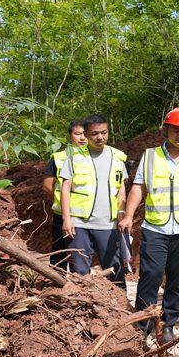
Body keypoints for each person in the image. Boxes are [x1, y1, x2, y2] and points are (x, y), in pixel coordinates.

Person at [118, 107, 179, 346]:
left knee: (176, 281)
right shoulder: (150, 155)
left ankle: (169, 323)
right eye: (176, 130)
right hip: (156, 228)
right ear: (166, 130)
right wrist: (128, 216)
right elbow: (139, 187)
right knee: (151, 276)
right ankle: (142, 325)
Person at [60, 114, 128, 288]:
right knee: (80, 272)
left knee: (115, 271)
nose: (100, 137)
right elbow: (65, 188)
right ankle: (81, 310)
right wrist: (67, 219)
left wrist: (122, 214)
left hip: (108, 224)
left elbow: (121, 188)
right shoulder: (74, 156)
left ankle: (121, 308)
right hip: (79, 224)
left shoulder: (117, 156)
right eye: (95, 134)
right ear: (86, 134)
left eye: (104, 133)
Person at [42, 120, 87, 268]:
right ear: (69, 136)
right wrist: (63, 204)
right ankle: (56, 282)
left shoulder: (94, 157)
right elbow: (48, 186)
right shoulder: (58, 157)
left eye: (85, 134)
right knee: (59, 252)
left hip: (86, 215)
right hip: (61, 215)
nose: (82, 138)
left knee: (80, 253)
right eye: (78, 134)